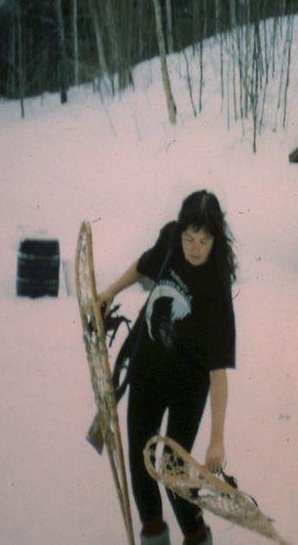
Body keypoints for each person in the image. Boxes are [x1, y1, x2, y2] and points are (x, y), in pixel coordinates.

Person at [97, 190, 237, 545]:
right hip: (146, 370)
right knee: (142, 464)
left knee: (174, 475)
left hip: (188, 388)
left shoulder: (216, 290)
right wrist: (109, 292)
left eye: (203, 240)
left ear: (215, 239)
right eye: (190, 237)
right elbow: (142, 266)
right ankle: (154, 538)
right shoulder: (170, 242)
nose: (194, 247)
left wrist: (217, 437)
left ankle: (196, 538)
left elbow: (218, 372)